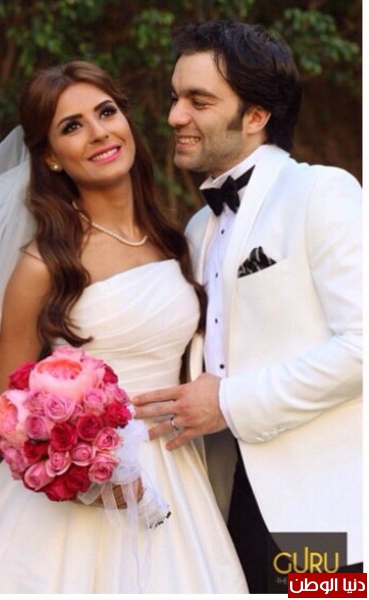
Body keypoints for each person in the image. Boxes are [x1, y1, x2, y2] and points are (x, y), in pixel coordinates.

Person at [0, 60, 249, 594]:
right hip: (78, 499)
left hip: (174, 476)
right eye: (72, 126)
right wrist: (80, 470)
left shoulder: (175, 238)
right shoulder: (43, 264)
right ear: (51, 156)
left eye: (106, 112)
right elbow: (1, 415)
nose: (98, 132)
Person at [132, 20, 363, 593]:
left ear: (256, 114)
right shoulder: (196, 228)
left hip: (317, 511)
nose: (175, 116)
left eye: (198, 100)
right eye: (174, 98)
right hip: (217, 505)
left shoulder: (321, 192)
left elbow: (362, 349)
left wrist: (227, 402)